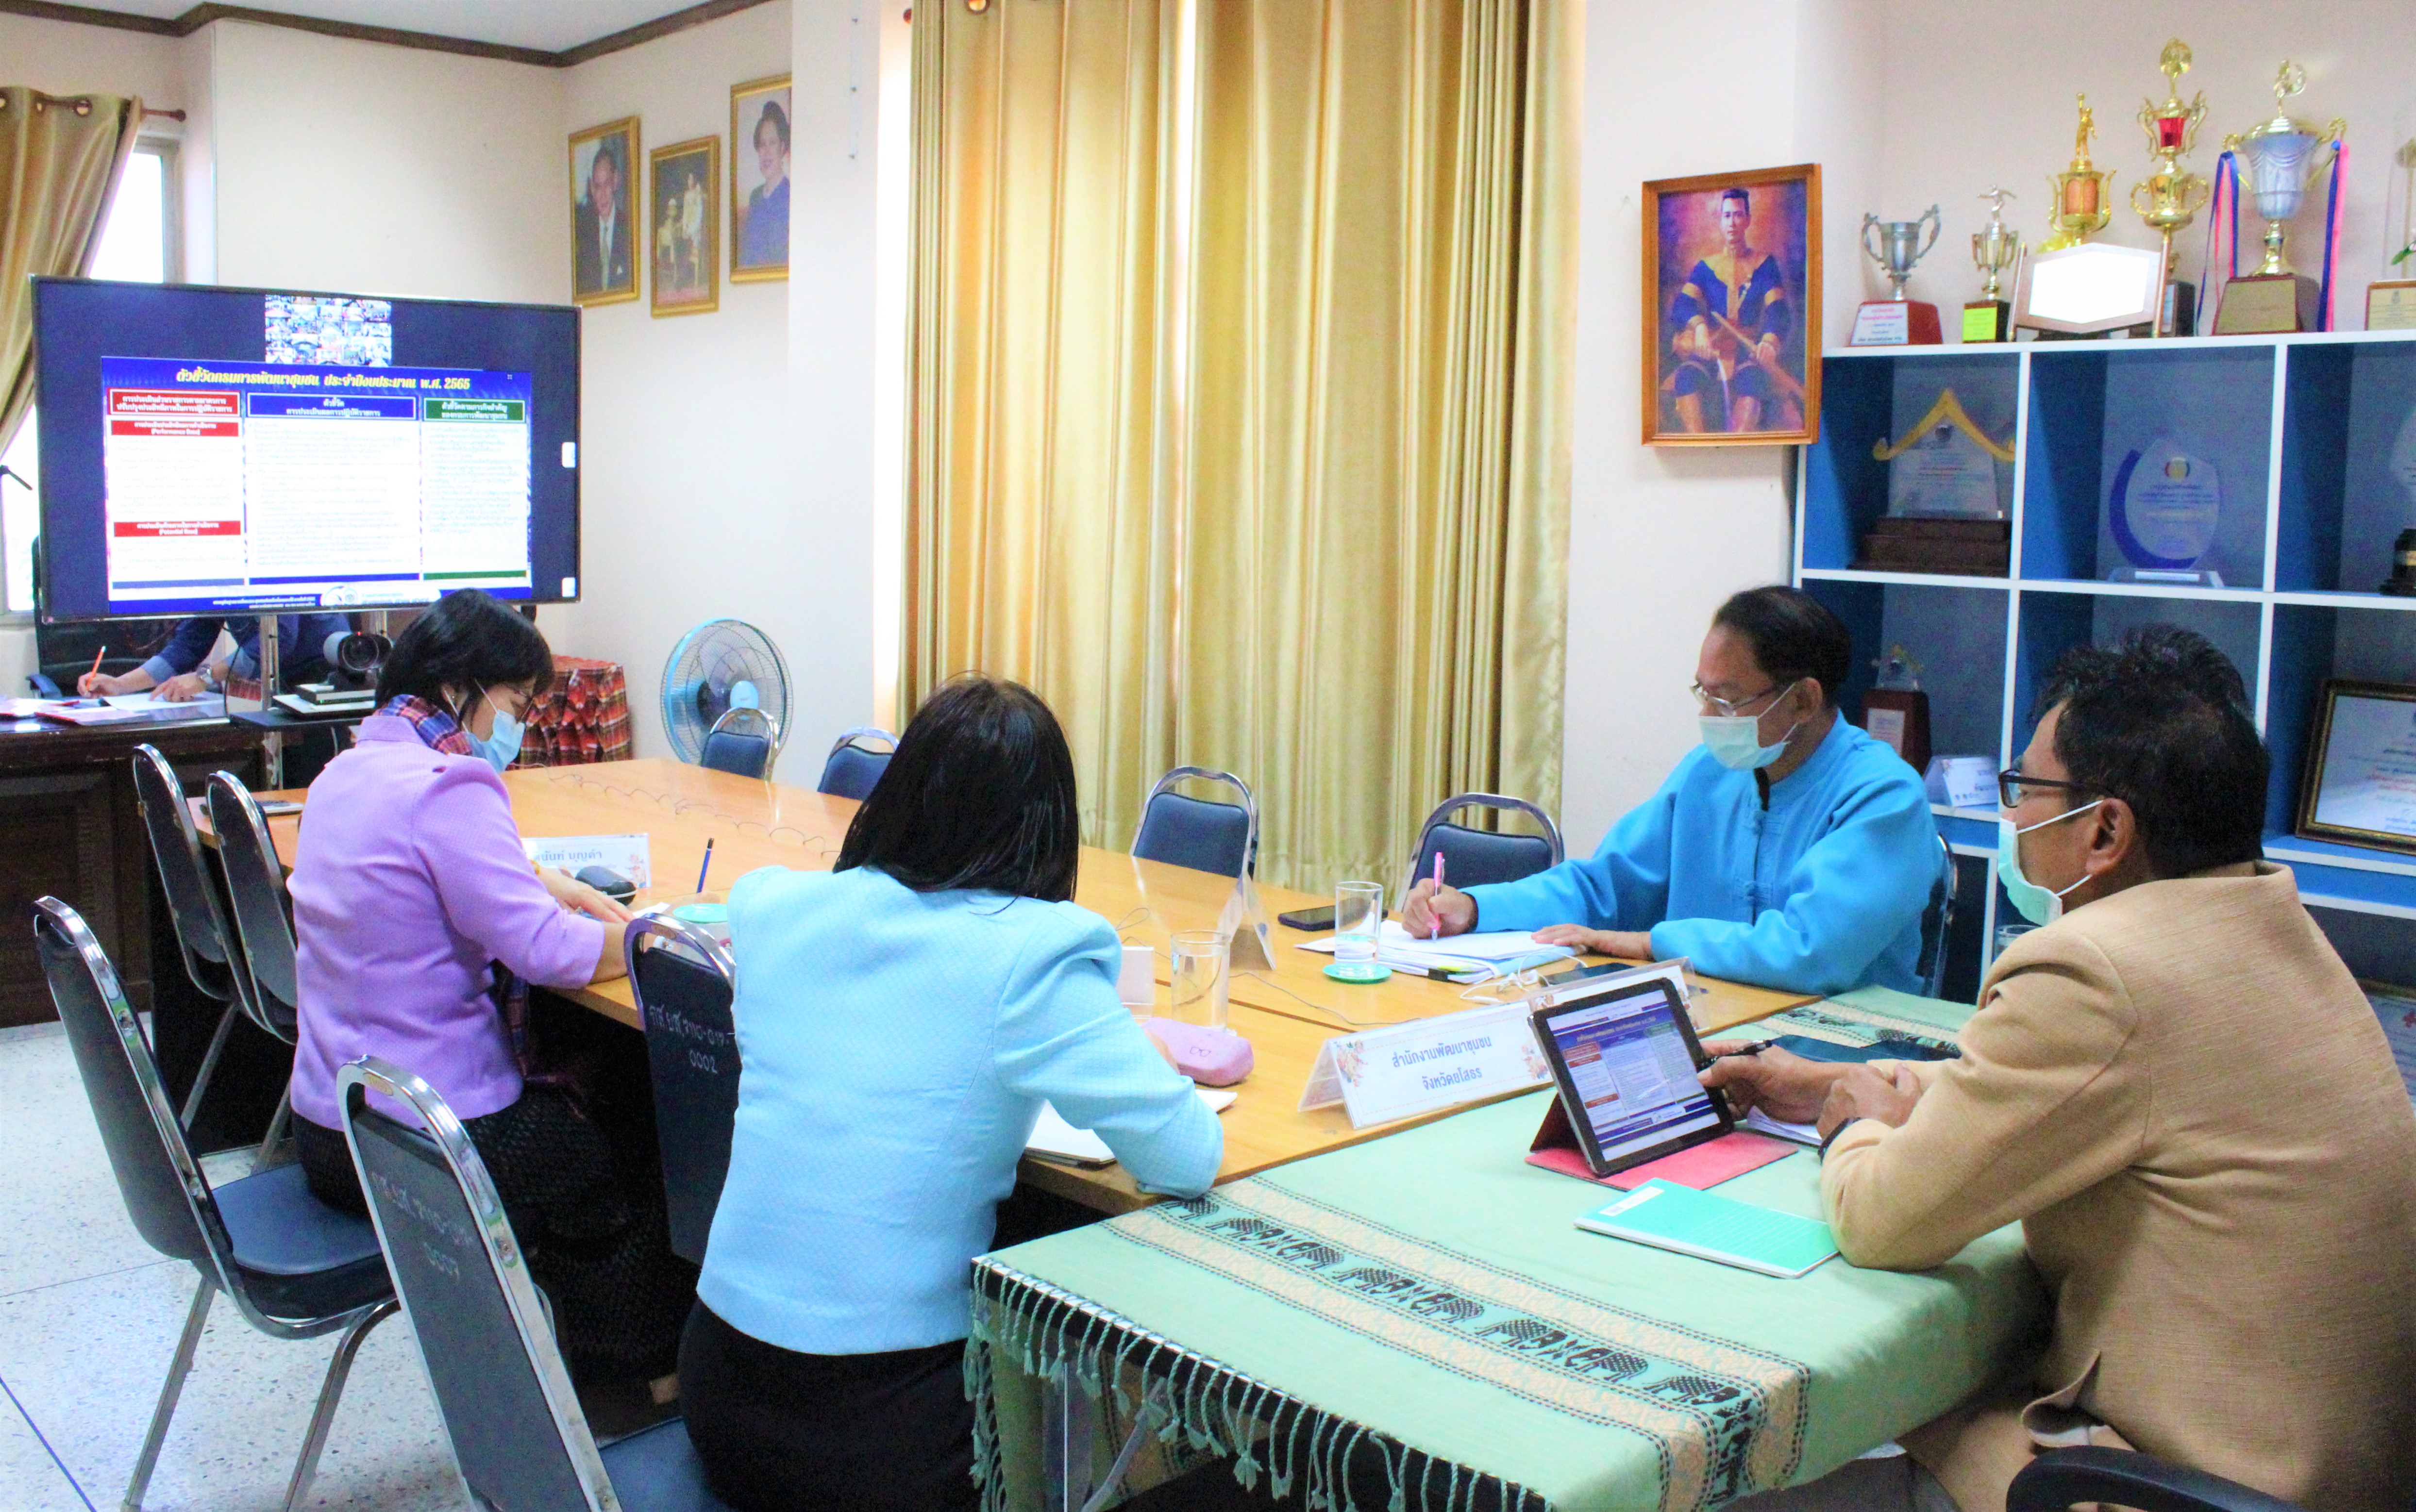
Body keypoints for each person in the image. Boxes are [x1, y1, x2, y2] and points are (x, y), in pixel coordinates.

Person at [1703, 626, 2416, 1512]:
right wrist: (1836, 1082)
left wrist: (1853, 1128)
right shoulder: (2267, 922)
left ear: (2105, 829)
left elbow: (1883, 1222)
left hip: (2176, 1480)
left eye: (2025, 792)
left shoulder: (2096, 968)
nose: (2012, 819)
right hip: (2334, 1471)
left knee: (1784, 1452)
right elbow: (2078, 1091)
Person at [682, 675, 1222, 1512]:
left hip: (720, 1389)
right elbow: (1187, 1158)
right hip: (879, 1437)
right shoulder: (1034, 953)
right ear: (1049, 826)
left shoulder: (771, 909)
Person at [284, 588, 693, 1387]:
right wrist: (656, 941)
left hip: (332, 1124)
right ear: (460, 687)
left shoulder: (344, 771)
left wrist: (540, 876)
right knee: (625, 1144)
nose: (521, 726)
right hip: (429, 1142)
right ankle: (634, 1374)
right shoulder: (454, 787)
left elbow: (421, 867)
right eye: (516, 703)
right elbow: (546, 952)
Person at [1405, 586, 1939, 995]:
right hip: (1710, 1024)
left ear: (1802, 700)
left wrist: (1654, 941)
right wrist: (1474, 907)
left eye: (1726, 701)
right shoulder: (1708, 774)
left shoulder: (1882, 795)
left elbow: (1811, 952)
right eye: (1702, 694)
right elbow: (1604, 888)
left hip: (1835, 1056)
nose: (1708, 718)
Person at [1668, 186, 1793, 433]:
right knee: (1686, 377)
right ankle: (1699, 452)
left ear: (1747, 220)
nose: (1732, 223)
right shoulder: (1706, 267)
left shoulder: (1765, 266)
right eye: (1727, 216)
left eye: (1737, 215)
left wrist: (1769, 342)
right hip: (1712, 350)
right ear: (1720, 222)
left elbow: (1778, 311)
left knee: (1753, 382)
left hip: (1748, 351)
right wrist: (1700, 328)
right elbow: (1682, 305)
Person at [78, 611, 349, 700]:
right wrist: (121, 684)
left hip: (320, 679)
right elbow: (188, 645)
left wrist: (204, 678)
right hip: (282, 680)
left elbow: (279, 639)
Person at [575, 137, 633, 296]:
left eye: (606, 184)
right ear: (591, 188)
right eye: (597, 187)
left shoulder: (629, 230)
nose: (602, 195)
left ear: (616, 181)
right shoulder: (583, 235)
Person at [738, 100, 790, 269]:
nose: (766, 151)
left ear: (782, 148)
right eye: (762, 144)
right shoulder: (755, 197)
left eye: (772, 143)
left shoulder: (791, 195)